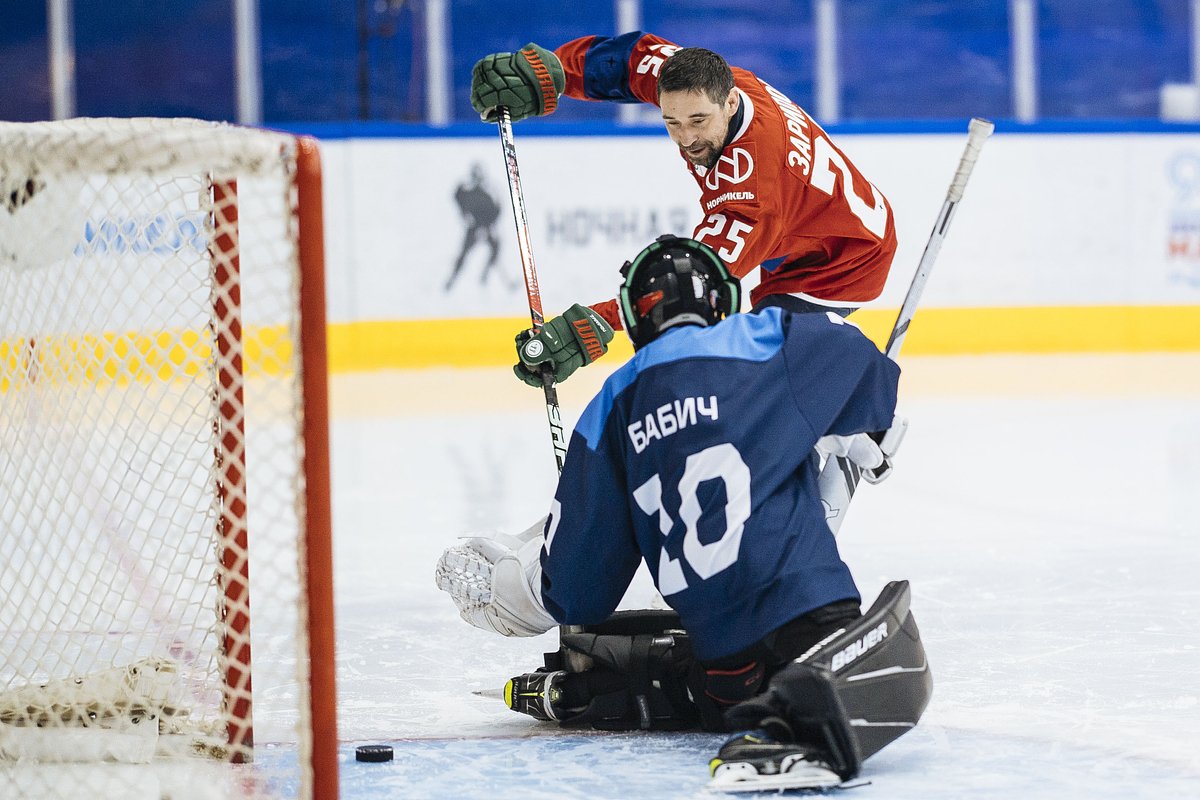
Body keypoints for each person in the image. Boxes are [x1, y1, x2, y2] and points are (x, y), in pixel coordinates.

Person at [436, 236, 930, 792]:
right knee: (904, 664)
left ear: (634, 318)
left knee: (698, 668)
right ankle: (791, 722)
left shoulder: (609, 407)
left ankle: (625, 685)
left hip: (725, 668)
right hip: (809, 619)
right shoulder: (766, 337)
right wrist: (854, 431)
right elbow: (875, 380)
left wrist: (530, 584)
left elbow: (579, 590)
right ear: (723, 298)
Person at [469, 34, 899, 390]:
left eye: (698, 121)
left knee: (762, 383)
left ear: (731, 102)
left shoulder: (753, 190)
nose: (687, 138)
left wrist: (591, 326)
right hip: (806, 224)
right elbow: (629, 62)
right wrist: (554, 72)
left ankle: (855, 415)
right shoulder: (700, 82)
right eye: (672, 122)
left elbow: (690, 280)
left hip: (843, 261)